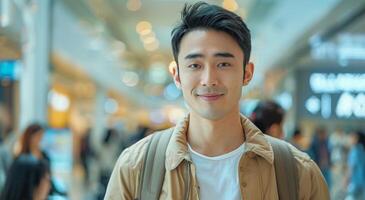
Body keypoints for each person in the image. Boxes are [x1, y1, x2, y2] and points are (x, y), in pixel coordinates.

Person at [104, 2, 329, 199]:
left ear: (247, 73)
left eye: (223, 64)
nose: (209, 79)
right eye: (195, 65)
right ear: (177, 76)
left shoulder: (297, 172)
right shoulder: (137, 167)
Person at [18, 123, 66, 196]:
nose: (40, 139)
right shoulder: (22, 159)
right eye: (37, 136)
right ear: (30, 137)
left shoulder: (45, 156)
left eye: (41, 136)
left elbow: (48, 177)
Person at [346, 131, 365, 200]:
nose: (350, 139)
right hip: (362, 182)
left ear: (357, 139)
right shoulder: (362, 149)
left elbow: (351, 167)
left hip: (355, 181)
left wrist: (346, 180)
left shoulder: (354, 151)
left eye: (352, 138)